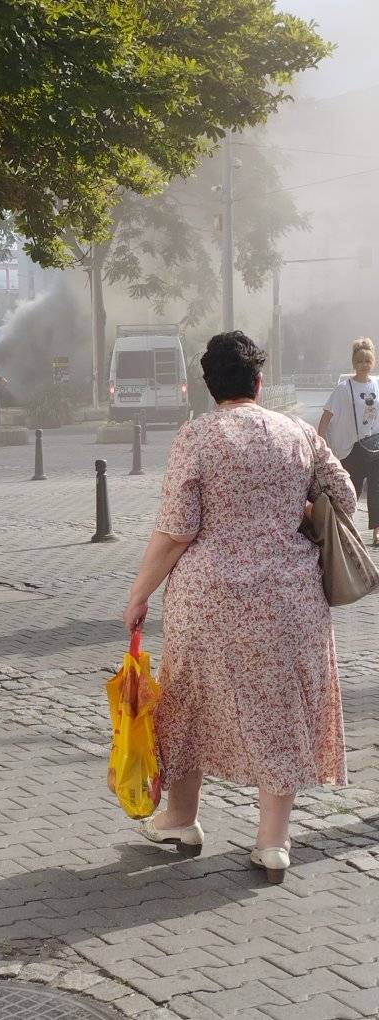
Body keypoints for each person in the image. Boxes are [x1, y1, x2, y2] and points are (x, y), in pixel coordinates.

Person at [123, 331, 357, 884]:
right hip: (290, 600)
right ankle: (273, 843)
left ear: (210, 386)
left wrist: (139, 593)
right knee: (282, 707)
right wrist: (292, 508)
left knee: (189, 703)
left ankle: (180, 819)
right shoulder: (297, 432)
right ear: (257, 380)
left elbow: (177, 529)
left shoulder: (196, 438)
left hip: (209, 601)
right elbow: (344, 498)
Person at [318, 337, 379, 545]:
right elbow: (326, 417)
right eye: (360, 361)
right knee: (352, 488)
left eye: (368, 361)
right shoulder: (344, 388)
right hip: (352, 448)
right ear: (354, 362)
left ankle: (377, 531)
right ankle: (347, 526)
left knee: (377, 488)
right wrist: (322, 446)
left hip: (376, 445)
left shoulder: (378, 385)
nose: (364, 365)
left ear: (374, 362)